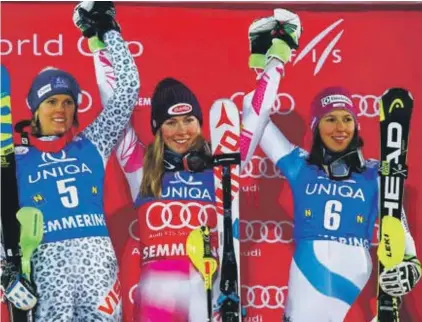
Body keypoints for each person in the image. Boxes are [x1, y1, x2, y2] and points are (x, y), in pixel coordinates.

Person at [241, 9, 421, 322]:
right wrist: (275, 58)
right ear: (315, 126)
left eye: (347, 119)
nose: (340, 128)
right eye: (330, 119)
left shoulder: (377, 172)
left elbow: (400, 233)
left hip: (353, 270)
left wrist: (412, 265)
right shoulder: (299, 165)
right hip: (308, 272)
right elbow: (250, 110)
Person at [2, 2, 140, 321]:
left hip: (98, 264)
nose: (60, 110)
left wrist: (107, 31)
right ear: (34, 108)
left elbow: (128, 91)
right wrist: (6, 274)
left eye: (68, 102)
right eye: (51, 102)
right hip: (47, 265)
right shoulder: (15, 159)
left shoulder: (91, 143)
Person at [92, 44, 220, 319]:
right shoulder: (141, 166)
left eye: (189, 120)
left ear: (200, 123)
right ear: (158, 128)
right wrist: (99, 41)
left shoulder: (219, 169)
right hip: (157, 299)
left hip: (208, 294)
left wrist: (273, 60)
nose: (182, 131)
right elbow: (113, 105)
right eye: (171, 122)